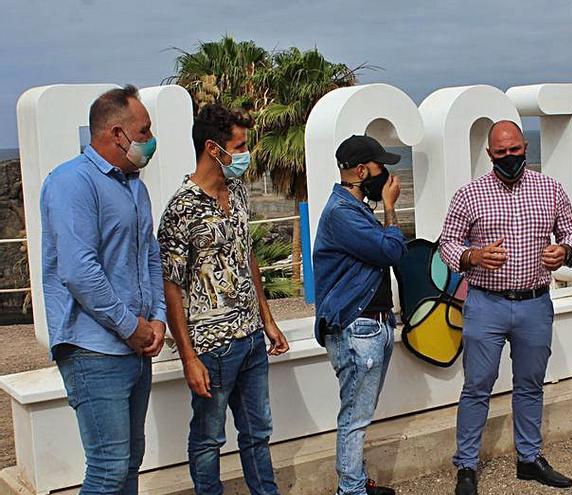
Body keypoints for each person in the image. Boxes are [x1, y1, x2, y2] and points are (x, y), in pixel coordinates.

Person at [438, 120, 572, 495]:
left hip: (534, 304)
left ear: (525, 148)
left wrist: (562, 252)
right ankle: (466, 466)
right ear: (489, 154)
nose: (508, 157)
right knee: (477, 386)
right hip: (486, 304)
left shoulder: (550, 189)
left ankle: (529, 459)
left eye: (514, 150)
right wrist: (473, 255)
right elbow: (447, 244)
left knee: (530, 385)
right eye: (500, 152)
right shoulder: (469, 194)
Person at [40, 84, 166, 494]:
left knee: (130, 463)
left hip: (136, 348)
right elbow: (79, 271)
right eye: (144, 131)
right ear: (116, 134)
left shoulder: (135, 187)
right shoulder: (71, 183)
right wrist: (131, 326)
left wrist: (159, 318)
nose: (149, 140)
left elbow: (150, 255)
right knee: (108, 468)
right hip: (94, 351)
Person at [158, 104, 290, 495]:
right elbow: (172, 287)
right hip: (211, 347)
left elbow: (246, 254)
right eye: (241, 145)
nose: (246, 154)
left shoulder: (237, 192)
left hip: (251, 339)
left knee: (258, 432)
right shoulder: (180, 209)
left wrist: (267, 320)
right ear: (214, 148)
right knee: (208, 438)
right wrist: (188, 358)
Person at [312, 135, 406, 495]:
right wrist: (390, 209)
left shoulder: (354, 210)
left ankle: (354, 481)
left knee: (358, 413)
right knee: (355, 416)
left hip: (372, 324)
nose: (386, 174)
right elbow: (390, 251)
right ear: (363, 170)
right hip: (357, 327)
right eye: (381, 166)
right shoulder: (342, 213)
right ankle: (350, 490)